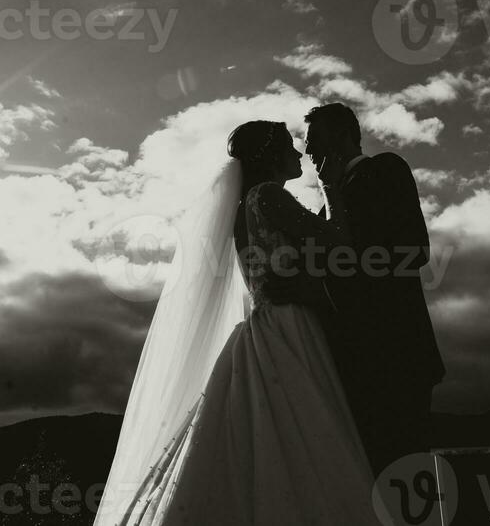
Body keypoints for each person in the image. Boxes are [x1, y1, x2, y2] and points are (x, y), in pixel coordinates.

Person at [93, 120, 379, 526]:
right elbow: (340, 242)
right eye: (290, 148)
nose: (299, 155)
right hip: (289, 325)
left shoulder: (245, 207)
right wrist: (331, 186)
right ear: (271, 157)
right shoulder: (268, 197)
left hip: (265, 323)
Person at [302, 103, 446, 477]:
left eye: (313, 140)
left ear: (341, 136)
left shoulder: (386, 169)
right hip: (350, 363)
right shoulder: (323, 213)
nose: (307, 152)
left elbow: (414, 250)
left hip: (398, 354)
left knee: (404, 476)